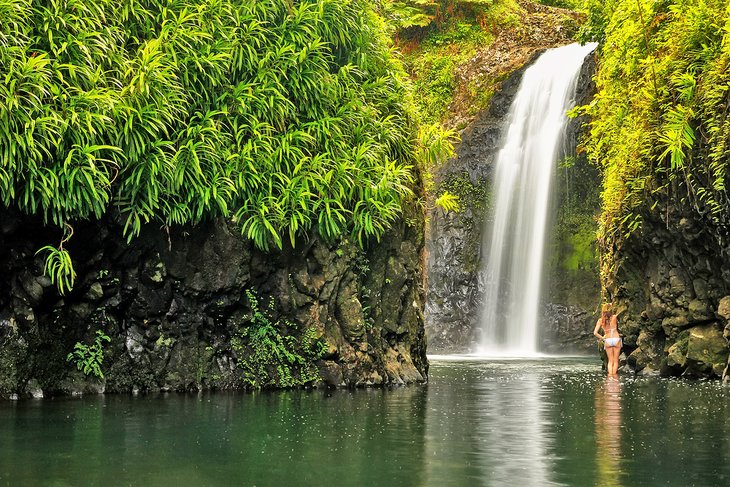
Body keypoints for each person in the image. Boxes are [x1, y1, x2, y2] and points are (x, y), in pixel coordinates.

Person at [594, 303, 621, 376]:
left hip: (608, 340)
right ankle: (614, 377)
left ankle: (610, 377)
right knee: (615, 361)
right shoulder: (614, 317)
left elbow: (595, 333)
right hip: (616, 339)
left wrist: (602, 338)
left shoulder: (600, 320)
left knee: (610, 361)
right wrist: (611, 304)